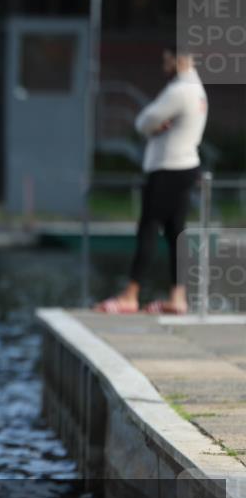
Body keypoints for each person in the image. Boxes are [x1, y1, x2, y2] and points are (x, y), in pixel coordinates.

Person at [95, 48, 208, 314]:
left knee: (148, 227)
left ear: (179, 59)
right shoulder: (197, 88)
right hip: (186, 165)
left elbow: (143, 121)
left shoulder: (179, 90)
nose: (163, 66)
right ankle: (178, 298)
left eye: (166, 60)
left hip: (169, 168)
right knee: (174, 233)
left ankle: (130, 295)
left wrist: (151, 127)